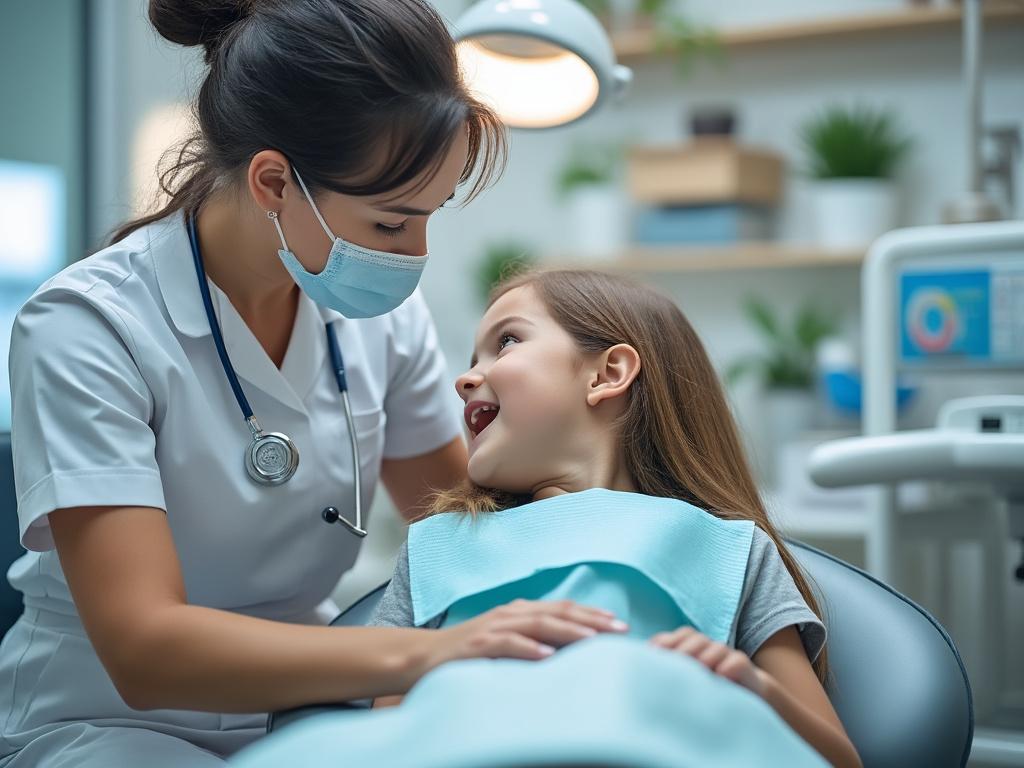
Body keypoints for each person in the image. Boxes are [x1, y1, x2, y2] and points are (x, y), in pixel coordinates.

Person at [0, 4, 622, 766]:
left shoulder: (382, 323)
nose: (415, 254)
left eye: (431, 216)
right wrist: (425, 654)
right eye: (391, 225)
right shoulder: (87, 326)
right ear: (273, 182)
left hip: (310, 707)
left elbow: (462, 521)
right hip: (109, 723)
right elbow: (145, 647)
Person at [368, 269, 863, 768]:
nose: (465, 378)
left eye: (508, 341)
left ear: (607, 374)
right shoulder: (434, 547)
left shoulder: (731, 551)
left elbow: (839, 762)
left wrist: (754, 694)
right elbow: (380, 743)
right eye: (474, 358)